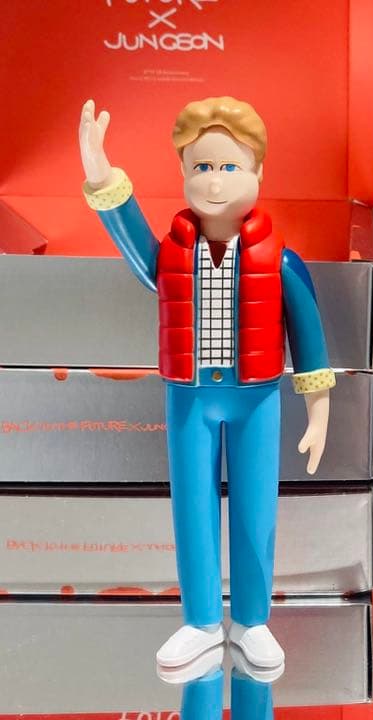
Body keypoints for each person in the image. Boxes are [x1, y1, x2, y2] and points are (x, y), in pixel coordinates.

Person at [79, 96, 335, 669]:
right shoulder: (173, 256)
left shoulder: (281, 260)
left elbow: (310, 340)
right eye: (202, 166)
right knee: (192, 508)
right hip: (189, 398)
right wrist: (101, 176)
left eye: (229, 166)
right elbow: (136, 251)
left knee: (254, 510)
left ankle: (252, 619)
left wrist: (318, 412)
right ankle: (199, 620)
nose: (215, 181)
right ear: (182, 172)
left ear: (258, 171)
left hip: (257, 400)